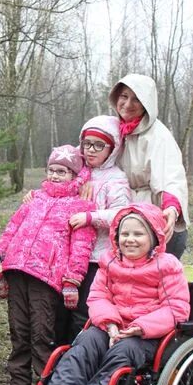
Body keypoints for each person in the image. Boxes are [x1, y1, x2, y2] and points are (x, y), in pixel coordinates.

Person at [27, 203, 191, 385]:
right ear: (116, 236)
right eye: (125, 233)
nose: (130, 239)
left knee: (122, 352)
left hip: (147, 334)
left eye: (138, 234)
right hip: (111, 324)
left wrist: (139, 328)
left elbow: (176, 309)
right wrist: (110, 323)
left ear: (154, 237)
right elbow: (97, 296)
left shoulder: (167, 266)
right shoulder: (109, 261)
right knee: (85, 343)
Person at [0, 145, 97, 385]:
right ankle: (18, 384)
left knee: (41, 333)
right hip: (16, 272)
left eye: (63, 171)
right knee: (19, 331)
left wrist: (72, 280)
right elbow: (12, 229)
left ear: (75, 175)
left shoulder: (81, 207)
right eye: (52, 170)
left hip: (46, 279)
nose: (56, 175)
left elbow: (81, 248)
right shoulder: (34, 199)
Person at [63, 115, 131, 341]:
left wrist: (90, 217)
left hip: (96, 256)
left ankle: (78, 356)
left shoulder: (116, 178)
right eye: (86, 144)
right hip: (67, 254)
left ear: (112, 149)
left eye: (99, 145)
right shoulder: (74, 171)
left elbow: (122, 214)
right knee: (61, 309)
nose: (90, 150)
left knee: (83, 309)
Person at [108, 74, 189, 259]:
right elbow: (86, 155)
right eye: (124, 96)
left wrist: (171, 207)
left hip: (151, 216)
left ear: (147, 103)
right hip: (118, 211)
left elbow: (171, 176)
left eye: (136, 99)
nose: (128, 104)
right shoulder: (111, 128)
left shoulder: (158, 136)